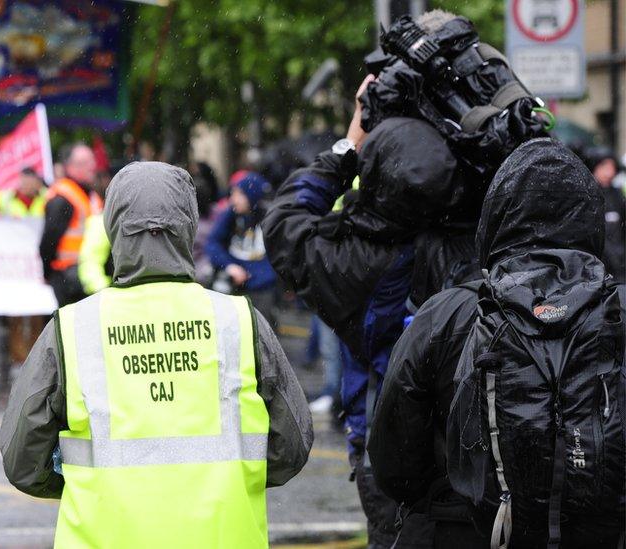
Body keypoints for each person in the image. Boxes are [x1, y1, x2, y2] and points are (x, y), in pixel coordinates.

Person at [0, 161, 313, 548]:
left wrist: (90, 484)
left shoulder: (72, 327)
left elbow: (22, 462)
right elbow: (292, 445)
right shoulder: (237, 320)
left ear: (114, 226)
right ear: (188, 225)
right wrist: (227, 483)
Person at [370, 139, 625, 548]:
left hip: (468, 531)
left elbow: (392, 460)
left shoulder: (448, 313)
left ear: (496, 217)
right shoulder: (619, 312)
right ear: (590, 217)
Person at [262, 76, 481, 547]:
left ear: (374, 176)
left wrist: (350, 143)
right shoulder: (482, 241)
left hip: (390, 458)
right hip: (478, 451)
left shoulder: (354, 263)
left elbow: (285, 223)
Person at [205, 172, 279, 322]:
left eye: (238, 194)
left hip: (262, 289)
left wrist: (262, 275)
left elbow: (279, 252)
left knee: (262, 331)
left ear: (250, 196)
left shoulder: (270, 217)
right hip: (234, 286)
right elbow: (212, 243)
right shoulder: (230, 215)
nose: (233, 199)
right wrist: (230, 266)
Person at [39, 143, 102, 306]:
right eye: (85, 162)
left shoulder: (91, 196)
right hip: (67, 278)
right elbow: (48, 241)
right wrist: (48, 273)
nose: (92, 166)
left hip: (88, 274)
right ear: (70, 167)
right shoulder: (63, 198)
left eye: (92, 161)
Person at [581, 146, 625, 282]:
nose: (608, 172)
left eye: (611, 167)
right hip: (599, 267)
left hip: (621, 264)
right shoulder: (587, 196)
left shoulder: (617, 195)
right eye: (604, 167)